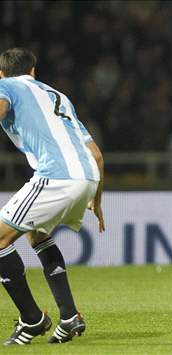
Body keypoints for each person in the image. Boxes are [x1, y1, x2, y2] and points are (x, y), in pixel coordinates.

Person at [0, 48, 105, 345]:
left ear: (1, 73)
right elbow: (96, 154)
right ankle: (70, 316)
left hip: (56, 177)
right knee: (36, 233)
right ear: (33, 71)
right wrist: (97, 199)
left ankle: (32, 320)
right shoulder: (58, 96)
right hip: (86, 177)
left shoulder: (5, 86)